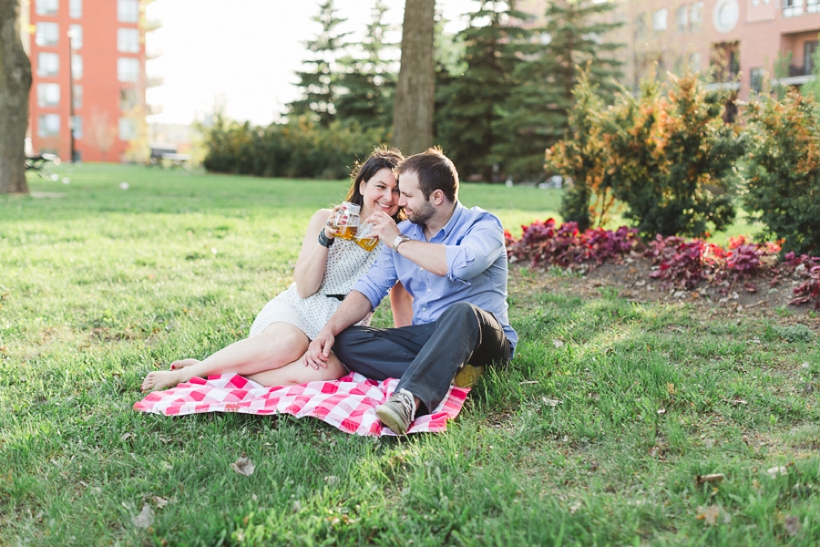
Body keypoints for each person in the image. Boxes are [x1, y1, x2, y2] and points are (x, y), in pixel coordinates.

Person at [141, 148, 411, 392]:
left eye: (396, 190)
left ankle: (216, 372)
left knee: (323, 373)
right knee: (288, 345)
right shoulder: (325, 218)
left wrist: (407, 344)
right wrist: (326, 237)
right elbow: (305, 288)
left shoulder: (397, 237)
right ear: (363, 185)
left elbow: (400, 296)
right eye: (381, 186)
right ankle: (190, 373)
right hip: (300, 309)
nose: (388, 197)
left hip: (342, 328)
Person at [304, 148, 517, 434]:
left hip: (483, 338)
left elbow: (463, 265)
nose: (399, 202)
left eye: (407, 195)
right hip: (429, 337)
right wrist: (328, 329)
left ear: (437, 197)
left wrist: (398, 241)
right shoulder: (406, 232)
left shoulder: (482, 225)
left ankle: (408, 399)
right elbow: (369, 290)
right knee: (347, 339)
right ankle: (452, 371)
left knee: (463, 312)